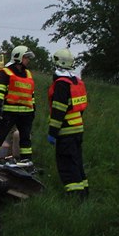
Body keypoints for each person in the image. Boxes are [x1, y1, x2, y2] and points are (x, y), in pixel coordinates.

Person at [0, 45, 36, 163]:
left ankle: (27, 162)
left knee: (25, 139)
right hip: (10, 112)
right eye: (26, 57)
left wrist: (33, 108)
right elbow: (0, 90)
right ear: (19, 58)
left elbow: (31, 93)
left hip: (26, 113)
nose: (28, 60)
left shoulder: (28, 73)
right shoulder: (6, 72)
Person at [47, 48, 89, 199]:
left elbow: (58, 111)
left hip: (66, 131)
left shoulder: (61, 84)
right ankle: (84, 192)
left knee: (67, 165)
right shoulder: (76, 82)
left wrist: (52, 133)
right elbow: (80, 107)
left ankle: (75, 197)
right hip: (78, 129)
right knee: (76, 162)